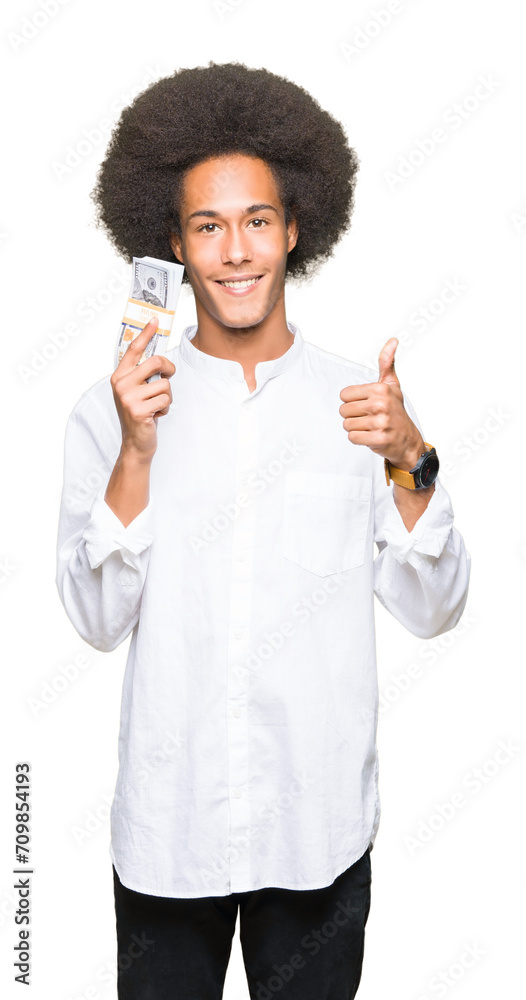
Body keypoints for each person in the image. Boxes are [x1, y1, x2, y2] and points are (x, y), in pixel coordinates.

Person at [55, 61, 470, 1000]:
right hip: (170, 836)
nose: (235, 250)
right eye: (208, 226)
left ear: (293, 230)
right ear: (173, 243)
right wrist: (134, 453)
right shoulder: (112, 412)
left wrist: (412, 457)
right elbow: (93, 618)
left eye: (255, 222)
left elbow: (436, 608)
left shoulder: (359, 407)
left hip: (316, 828)